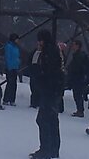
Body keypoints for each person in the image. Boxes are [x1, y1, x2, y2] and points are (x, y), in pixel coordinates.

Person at [30, 30, 63, 159]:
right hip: (54, 90)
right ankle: (53, 149)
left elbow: (38, 70)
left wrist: (36, 56)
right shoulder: (55, 51)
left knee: (43, 120)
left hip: (48, 91)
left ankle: (46, 150)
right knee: (52, 120)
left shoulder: (46, 53)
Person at [65, 40, 89, 118]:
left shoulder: (78, 56)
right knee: (77, 94)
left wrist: (71, 70)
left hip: (77, 78)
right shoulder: (78, 55)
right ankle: (80, 110)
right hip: (78, 78)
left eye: (74, 44)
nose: (72, 46)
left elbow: (77, 66)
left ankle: (80, 111)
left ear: (78, 46)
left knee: (77, 95)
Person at [4, 34, 22, 106]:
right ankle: (6, 99)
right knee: (10, 84)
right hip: (10, 68)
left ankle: (12, 99)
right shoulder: (9, 46)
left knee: (14, 84)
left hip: (15, 67)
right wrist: (9, 67)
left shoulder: (16, 47)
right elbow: (7, 57)